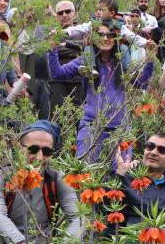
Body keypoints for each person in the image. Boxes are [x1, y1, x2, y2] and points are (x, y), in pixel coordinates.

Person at [48, 20, 155, 161]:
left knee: (121, 172)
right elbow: (58, 74)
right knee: (86, 172)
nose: (105, 38)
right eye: (100, 35)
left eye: (110, 35)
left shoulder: (123, 63)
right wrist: (52, 48)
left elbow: (140, 83)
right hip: (91, 124)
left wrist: (150, 58)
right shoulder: (85, 60)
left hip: (120, 127)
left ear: (116, 37)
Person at [0, 121, 82, 244]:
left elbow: (78, 218)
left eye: (47, 151)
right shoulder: (0, 177)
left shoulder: (57, 178)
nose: (40, 157)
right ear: (19, 147)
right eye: (33, 149)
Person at [44, 0, 85, 117]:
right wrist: (74, 48)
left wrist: (58, 47)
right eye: (60, 13)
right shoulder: (51, 33)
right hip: (56, 82)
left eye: (68, 11)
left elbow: (85, 49)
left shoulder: (83, 31)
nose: (64, 15)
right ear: (56, 16)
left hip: (78, 80)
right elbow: (46, 51)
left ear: (75, 14)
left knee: (80, 118)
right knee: (57, 118)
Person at [65, 0, 147, 49]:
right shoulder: (95, 23)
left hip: (113, 53)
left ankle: (126, 69)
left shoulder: (119, 25)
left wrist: (146, 42)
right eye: (99, 10)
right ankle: (92, 68)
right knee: (88, 48)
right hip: (97, 51)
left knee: (124, 48)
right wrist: (66, 32)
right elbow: (80, 28)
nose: (99, 12)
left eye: (102, 10)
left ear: (111, 13)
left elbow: (132, 36)